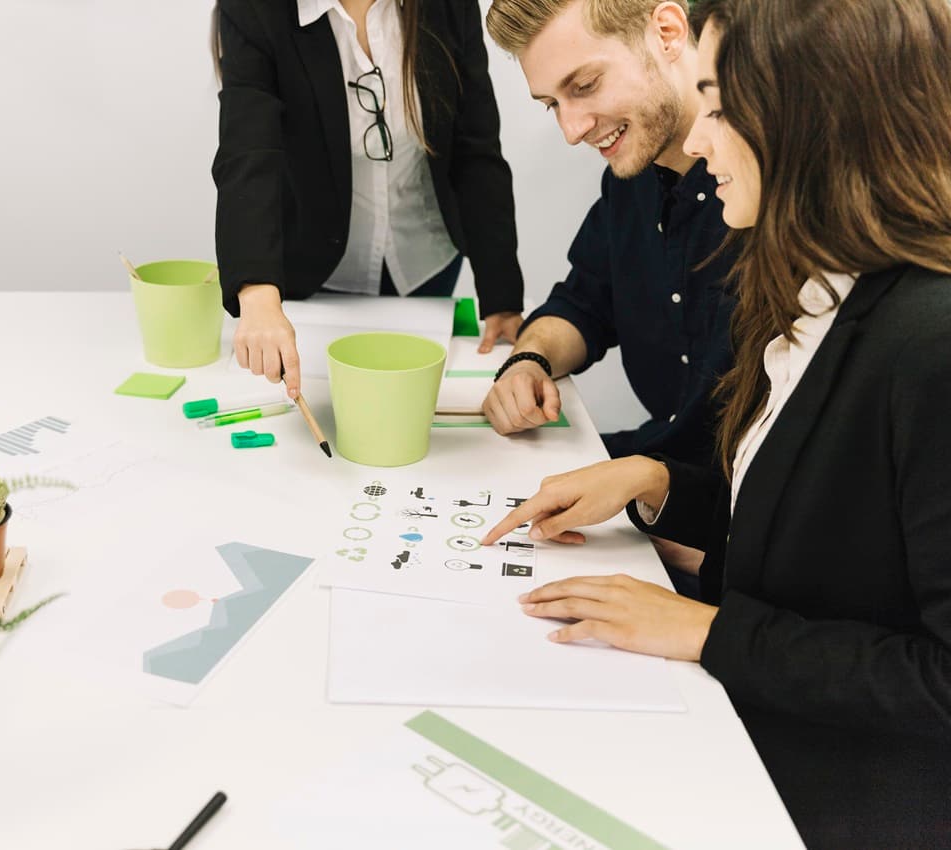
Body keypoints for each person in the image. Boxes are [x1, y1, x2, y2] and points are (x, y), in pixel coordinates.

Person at [483, 0, 951, 843]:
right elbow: (817, 539)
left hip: (827, 791)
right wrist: (662, 485)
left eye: (720, 103)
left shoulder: (929, 338)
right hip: (746, 714)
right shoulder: (813, 294)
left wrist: (708, 630)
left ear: (814, 113)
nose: (697, 142)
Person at [213, 0, 526, 400]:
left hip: (424, 258)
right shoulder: (253, 9)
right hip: (315, 269)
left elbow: (476, 149)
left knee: (416, 403)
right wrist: (257, 294)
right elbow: (248, 152)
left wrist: (501, 296)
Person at [482, 0, 733, 467]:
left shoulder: (765, 192)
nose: (572, 131)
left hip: (730, 504)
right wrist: (528, 360)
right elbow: (585, 301)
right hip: (659, 468)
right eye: (553, 104)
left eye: (585, 85)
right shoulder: (632, 174)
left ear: (668, 31)